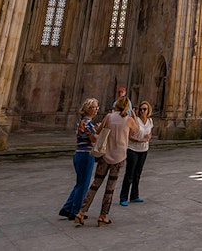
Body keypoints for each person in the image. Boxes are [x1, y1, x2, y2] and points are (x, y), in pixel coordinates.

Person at [75, 95, 138, 227]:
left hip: (105, 155)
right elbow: (136, 131)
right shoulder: (129, 120)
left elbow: (98, 132)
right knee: (110, 188)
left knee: (95, 184)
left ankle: (81, 212)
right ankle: (103, 216)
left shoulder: (109, 117)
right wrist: (133, 115)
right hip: (119, 157)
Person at [59, 98, 99, 221]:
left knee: (80, 183)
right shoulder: (87, 123)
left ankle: (67, 208)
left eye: (97, 107)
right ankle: (75, 211)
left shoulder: (82, 122)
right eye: (94, 107)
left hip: (80, 154)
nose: (96, 109)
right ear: (88, 109)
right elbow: (94, 138)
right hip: (85, 155)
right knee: (83, 184)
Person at [119, 101, 153, 206]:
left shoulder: (150, 121)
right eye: (141, 109)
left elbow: (150, 132)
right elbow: (129, 135)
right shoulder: (135, 120)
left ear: (148, 111)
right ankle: (123, 197)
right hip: (133, 149)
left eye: (145, 109)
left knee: (137, 174)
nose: (142, 111)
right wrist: (139, 140)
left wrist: (148, 138)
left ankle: (134, 196)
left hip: (144, 150)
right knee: (129, 174)